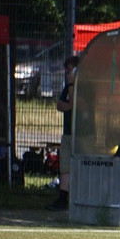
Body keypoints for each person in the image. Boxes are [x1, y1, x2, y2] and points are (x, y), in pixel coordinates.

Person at [45, 55, 79, 211]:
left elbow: (75, 102)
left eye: (70, 70)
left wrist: (72, 85)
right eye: (66, 71)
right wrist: (71, 104)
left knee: (79, 164)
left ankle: (78, 196)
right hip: (68, 132)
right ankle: (63, 197)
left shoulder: (83, 86)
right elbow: (60, 105)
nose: (67, 73)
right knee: (65, 165)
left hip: (81, 134)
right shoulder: (67, 87)